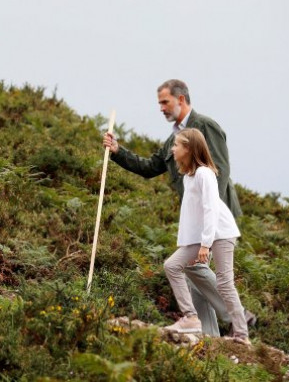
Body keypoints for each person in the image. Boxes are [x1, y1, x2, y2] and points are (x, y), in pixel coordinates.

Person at [102, 79, 254, 337]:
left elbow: (220, 172)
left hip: (215, 216)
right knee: (195, 279)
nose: (161, 108)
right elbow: (151, 166)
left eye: (165, 102)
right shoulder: (174, 139)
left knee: (194, 269)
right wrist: (118, 151)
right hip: (198, 218)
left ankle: (236, 316)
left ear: (181, 99)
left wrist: (208, 217)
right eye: (159, 103)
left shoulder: (205, 126)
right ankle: (209, 338)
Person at [162, 128, 250, 345]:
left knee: (224, 282)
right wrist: (190, 244)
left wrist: (205, 245)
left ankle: (242, 334)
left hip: (221, 233)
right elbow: (192, 215)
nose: (173, 149)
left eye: (177, 145)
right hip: (203, 237)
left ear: (189, 148)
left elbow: (211, 209)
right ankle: (191, 317)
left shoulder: (204, 174)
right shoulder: (189, 177)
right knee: (172, 265)